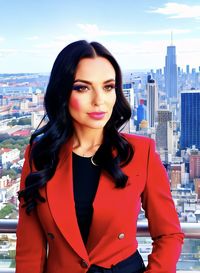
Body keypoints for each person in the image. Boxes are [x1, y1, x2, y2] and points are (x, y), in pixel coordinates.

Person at [16, 40, 184, 273]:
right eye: (82, 88)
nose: (99, 100)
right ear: (62, 93)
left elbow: (169, 234)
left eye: (108, 87)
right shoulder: (39, 156)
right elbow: (29, 252)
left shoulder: (141, 152)